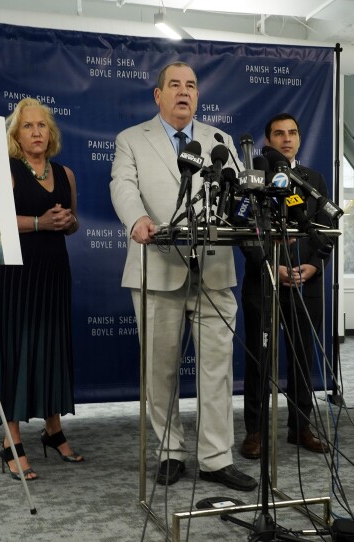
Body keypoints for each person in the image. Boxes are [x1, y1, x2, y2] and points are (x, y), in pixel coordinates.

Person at [110, 61, 257, 492]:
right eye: (174, 85)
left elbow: (234, 196)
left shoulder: (219, 140)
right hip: (158, 267)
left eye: (190, 85)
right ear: (158, 95)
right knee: (160, 371)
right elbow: (123, 184)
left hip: (213, 269)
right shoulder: (132, 139)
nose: (183, 92)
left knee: (217, 369)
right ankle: (171, 452)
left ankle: (215, 458)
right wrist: (136, 219)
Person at [0, 97, 82, 481]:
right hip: (15, 276)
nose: (37, 132)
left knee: (51, 348)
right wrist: (41, 222)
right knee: (15, 352)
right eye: (28, 126)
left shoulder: (65, 172)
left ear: (51, 132)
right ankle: (11, 442)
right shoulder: (6, 170)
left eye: (42, 125)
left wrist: (64, 221)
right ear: (15, 134)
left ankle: (53, 430)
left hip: (54, 271)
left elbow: (72, 224)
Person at [239, 113, 334, 460]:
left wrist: (313, 265)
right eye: (279, 133)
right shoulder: (252, 178)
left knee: (302, 357)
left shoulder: (313, 179)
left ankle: (301, 426)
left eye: (292, 132)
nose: (287, 138)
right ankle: (255, 432)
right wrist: (271, 266)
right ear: (268, 141)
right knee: (259, 361)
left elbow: (325, 228)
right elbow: (245, 233)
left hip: (305, 282)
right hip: (263, 281)